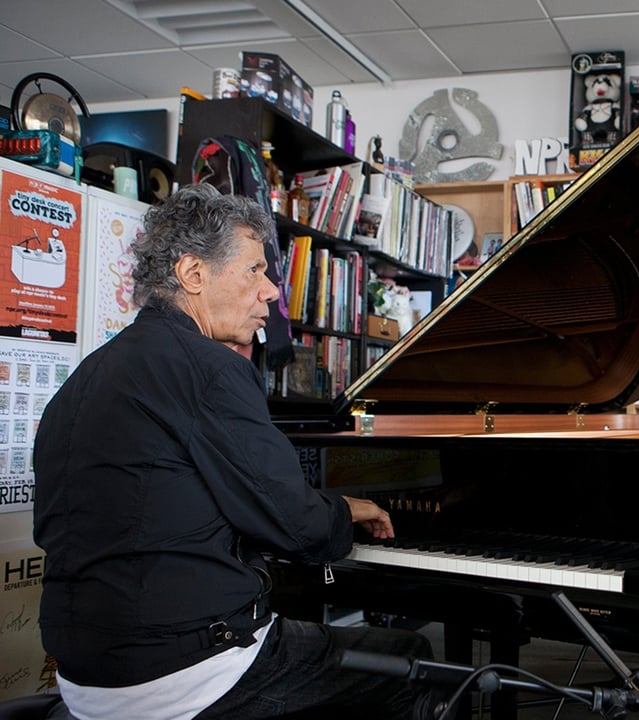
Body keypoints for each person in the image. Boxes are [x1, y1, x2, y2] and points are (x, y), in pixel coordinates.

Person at [33, 184, 432, 720]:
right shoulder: (211, 368)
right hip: (181, 671)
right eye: (254, 271)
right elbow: (296, 527)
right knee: (413, 660)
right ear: (193, 274)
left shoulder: (86, 377)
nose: (270, 291)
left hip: (85, 674)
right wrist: (342, 510)